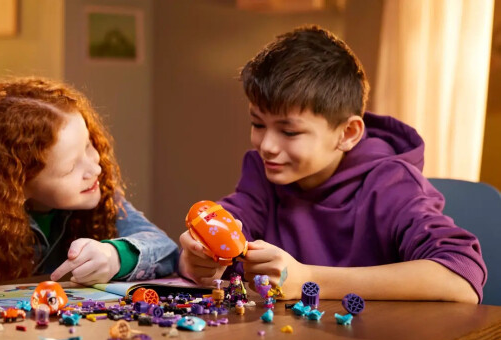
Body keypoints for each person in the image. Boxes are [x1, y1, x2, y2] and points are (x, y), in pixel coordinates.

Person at [178, 25, 486, 306]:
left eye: (289, 132)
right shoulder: (263, 172)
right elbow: (235, 219)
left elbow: (461, 278)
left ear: (347, 133)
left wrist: (308, 279)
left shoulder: (392, 183)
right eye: (258, 124)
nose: (267, 146)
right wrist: (197, 259)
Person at [0, 77, 178, 305]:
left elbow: (166, 250)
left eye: (90, 145)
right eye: (70, 168)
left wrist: (116, 257)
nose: (96, 169)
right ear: (15, 183)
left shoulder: (97, 192)